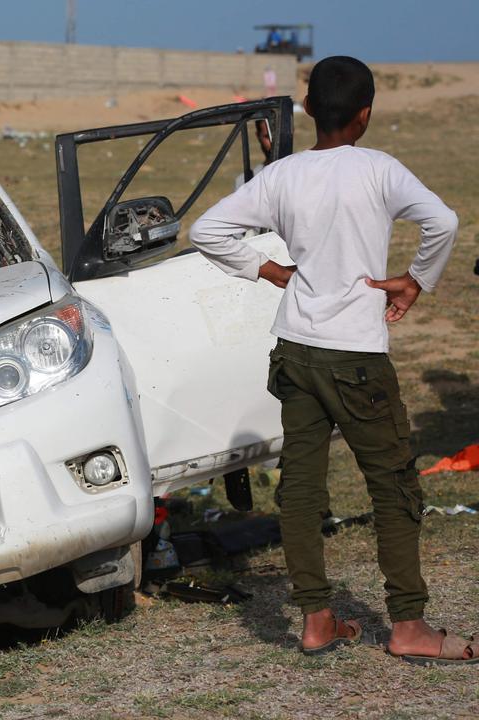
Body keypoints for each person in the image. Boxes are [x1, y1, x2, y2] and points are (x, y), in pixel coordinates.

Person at [189, 56, 470, 663]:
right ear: (366, 114)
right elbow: (442, 222)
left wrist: (270, 271)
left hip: (296, 349)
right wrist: (414, 281)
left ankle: (317, 619)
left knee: (301, 489)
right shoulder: (380, 169)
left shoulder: (283, 175)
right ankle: (409, 627)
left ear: (309, 109)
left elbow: (207, 232)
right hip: (358, 358)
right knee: (393, 487)